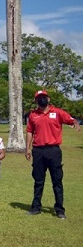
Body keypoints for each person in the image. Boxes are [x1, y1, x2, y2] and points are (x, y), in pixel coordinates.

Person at [26, 90, 80, 219]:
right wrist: (27, 148)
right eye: (39, 98)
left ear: (48, 99)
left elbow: (71, 120)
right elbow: (29, 132)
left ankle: (59, 209)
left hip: (53, 151)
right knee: (38, 180)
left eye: (44, 97)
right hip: (38, 150)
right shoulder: (33, 115)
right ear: (36, 101)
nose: (42, 99)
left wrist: (76, 123)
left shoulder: (57, 112)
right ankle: (36, 207)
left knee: (57, 180)